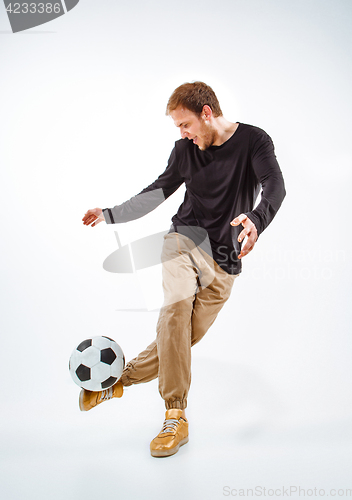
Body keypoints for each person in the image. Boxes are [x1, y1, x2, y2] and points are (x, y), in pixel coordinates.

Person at [82, 81, 286, 457]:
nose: (183, 134)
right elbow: (156, 193)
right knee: (174, 309)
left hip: (225, 262)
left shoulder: (254, 142)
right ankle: (175, 416)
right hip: (184, 240)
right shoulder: (184, 152)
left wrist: (257, 219)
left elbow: (275, 185)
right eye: (178, 128)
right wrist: (109, 213)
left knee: (181, 339)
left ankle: (115, 381)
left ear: (206, 113)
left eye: (185, 124)